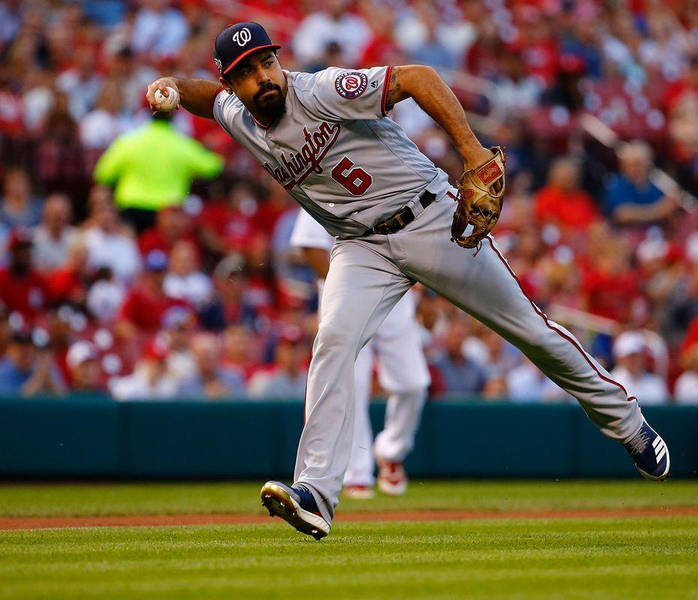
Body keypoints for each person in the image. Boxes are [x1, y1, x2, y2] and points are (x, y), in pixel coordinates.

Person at [147, 22, 669, 540]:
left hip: (427, 220)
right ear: (233, 82)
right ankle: (315, 495)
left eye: (267, 62)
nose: (264, 77)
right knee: (332, 341)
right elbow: (204, 98)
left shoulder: (320, 90)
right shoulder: (240, 116)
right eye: (247, 72)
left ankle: (627, 422)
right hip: (360, 246)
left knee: (528, 331)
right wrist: (170, 88)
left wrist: (471, 151)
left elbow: (417, 77)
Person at [291, 208, 430, 498]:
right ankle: (356, 473)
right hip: (345, 299)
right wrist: (353, 289)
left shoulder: (391, 179)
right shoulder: (324, 181)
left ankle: (391, 451)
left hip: (395, 294)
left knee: (413, 382)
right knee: (352, 385)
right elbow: (310, 246)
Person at [93, 111, 223, 233]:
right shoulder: (182, 144)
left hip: (131, 209)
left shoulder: (130, 141)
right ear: (173, 116)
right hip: (167, 214)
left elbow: (103, 173)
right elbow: (213, 167)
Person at [609, 331, 669, 405]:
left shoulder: (656, 384)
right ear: (620, 358)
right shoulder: (611, 384)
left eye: (639, 355)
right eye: (631, 356)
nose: (636, 360)